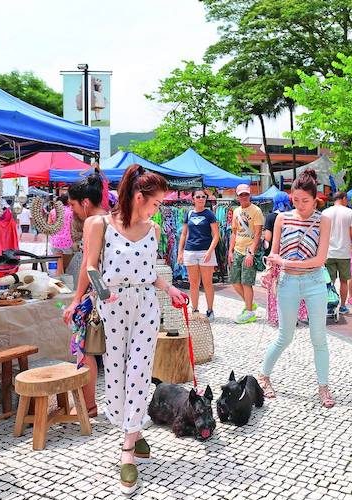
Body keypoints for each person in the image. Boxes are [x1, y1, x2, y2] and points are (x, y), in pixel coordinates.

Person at [85, 164, 185, 495]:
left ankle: (127, 447)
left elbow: (150, 271)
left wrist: (168, 288)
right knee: (115, 374)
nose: (158, 209)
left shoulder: (153, 230)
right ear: (139, 197)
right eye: (156, 203)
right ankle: (134, 429)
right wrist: (103, 294)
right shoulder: (100, 224)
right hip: (112, 306)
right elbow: (89, 268)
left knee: (140, 372)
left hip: (145, 304)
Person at [260, 168, 335, 408]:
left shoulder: (323, 220)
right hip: (288, 282)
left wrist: (284, 262)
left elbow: (320, 259)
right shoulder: (282, 218)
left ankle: (323, 386)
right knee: (285, 335)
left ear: (316, 200)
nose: (300, 205)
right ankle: (264, 376)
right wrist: (270, 268)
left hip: (314, 281)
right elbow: (274, 252)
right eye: (296, 200)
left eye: (306, 201)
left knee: (319, 337)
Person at [63, 171, 109, 418]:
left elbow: (86, 267)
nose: (71, 210)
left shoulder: (93, 223)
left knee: (84, 348)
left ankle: (88, 405)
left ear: (85, 202)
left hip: (98, 296)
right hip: (117, 296)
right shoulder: (115, 220)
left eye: (72, 204)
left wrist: (76, 300)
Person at [263, 191, 307, 327]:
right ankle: (294, 316)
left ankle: (279, 316)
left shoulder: (271, 217)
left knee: (276, 289)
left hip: (276, 259)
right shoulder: (293, 215)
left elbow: (268, 239)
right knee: (294, 288)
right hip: (292, 258)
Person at [177, 190, 219, 319]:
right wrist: (180, 252)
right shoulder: (188, 213)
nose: (201, 199)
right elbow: (184, 234)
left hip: (205, 251)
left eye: (203, 197)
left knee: (207, 283)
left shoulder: (209, 214)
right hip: (190, 251)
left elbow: (216, 235)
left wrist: (210, 251)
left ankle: (210, 310)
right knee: (193, 283)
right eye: (198, 197)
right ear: (193, 199)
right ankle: (194, 310)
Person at [228, 184, 264, 324]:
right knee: (235, 281)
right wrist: (230, 251)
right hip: (237, 249)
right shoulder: (236, 211)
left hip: (249, 250)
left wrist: (251, 253)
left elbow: (258, 233)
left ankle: (249, 312)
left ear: (250, 195)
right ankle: (250, 304)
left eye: (246, 194)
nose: (243, 197)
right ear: (237, 196)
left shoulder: (256, 211)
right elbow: (234, 232)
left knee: (246, 282)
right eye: (241, 195)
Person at [322, 192, 352, 314]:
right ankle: (343, 306)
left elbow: (321, 233)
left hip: (328, 252)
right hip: (344, 253)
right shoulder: (349, 212)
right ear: (343, 199)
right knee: (344, 280)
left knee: (329, 281)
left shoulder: (325, 212)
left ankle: (330, 306)